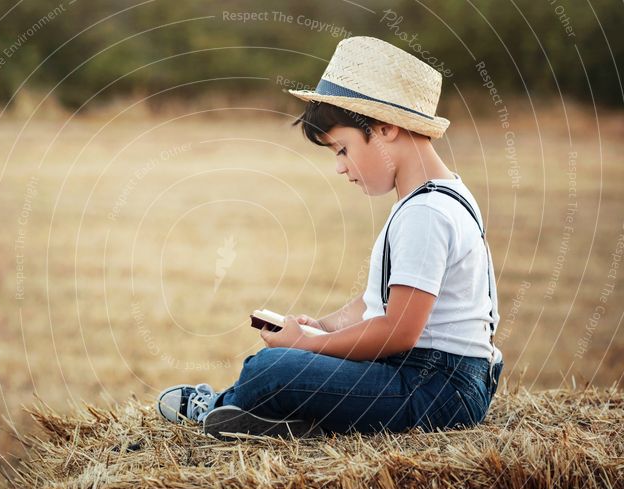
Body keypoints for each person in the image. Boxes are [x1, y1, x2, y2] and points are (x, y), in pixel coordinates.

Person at [156, 36, 504, 440]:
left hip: (435, 389)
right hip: (441, 382)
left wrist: (307, 343)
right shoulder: (439, 196)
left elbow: (397, 331)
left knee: (272, 369)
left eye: (342, 149)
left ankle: (218, 408)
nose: (340, 167)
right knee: (285, 362)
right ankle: (276, 417)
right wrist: (322, 327)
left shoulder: (425, 213)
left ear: (385, 128)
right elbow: (378, 301)